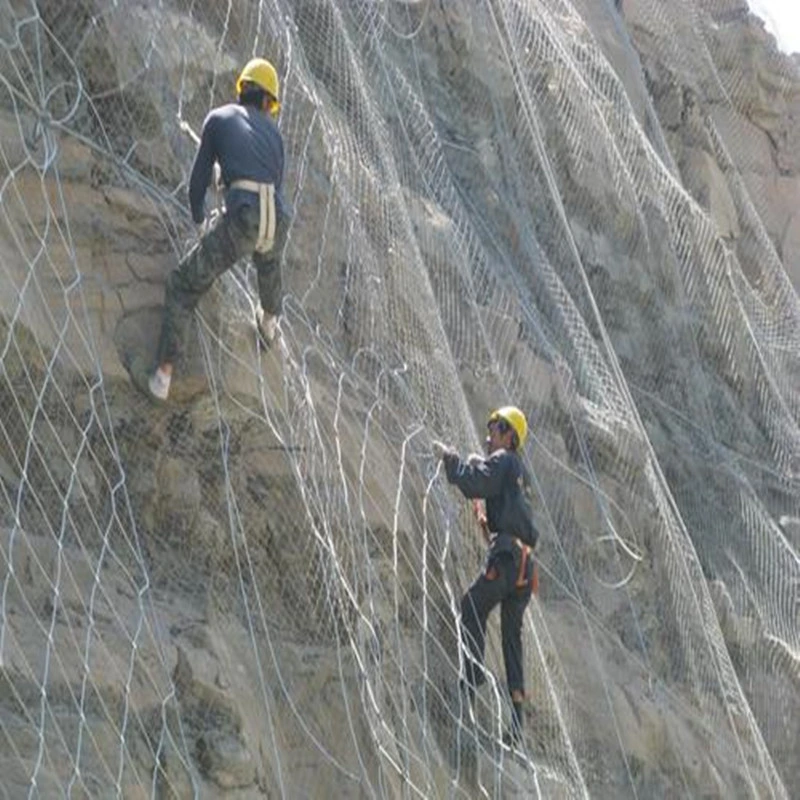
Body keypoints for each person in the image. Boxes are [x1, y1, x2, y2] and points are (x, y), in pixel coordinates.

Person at [132, 57, 289, 401]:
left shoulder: (217, 118)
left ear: (243, 90)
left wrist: (202, 223)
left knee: (182, 285)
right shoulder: (276, 136)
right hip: (276, 217)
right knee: (268, 261)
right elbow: (266, 186)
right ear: (267, 101)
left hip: (243, 218)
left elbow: (198, 183)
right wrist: (231, 181)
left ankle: (163, 375)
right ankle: (269, 321)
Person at [432, 406, 538, 746]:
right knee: (511, 640)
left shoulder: (505, 459)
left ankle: (471, 681)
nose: (489, 436)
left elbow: (477, 480)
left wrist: (452, 462)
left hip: (507, 557)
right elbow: (506, 512)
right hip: (524, 566)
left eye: (494, 429)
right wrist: (485, 523)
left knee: (471, 606)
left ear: (510, 434)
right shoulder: (516, 475)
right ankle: (517, 721)